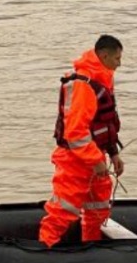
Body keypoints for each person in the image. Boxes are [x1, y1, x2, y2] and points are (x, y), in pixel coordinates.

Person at [39, 34, 125, 248]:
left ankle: (91, 247)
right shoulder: (84, 85)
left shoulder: (102, 80)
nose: (119, 64)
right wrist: (96, 160)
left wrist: (113, 153)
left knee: (97, 208)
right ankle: (44, 250)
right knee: (62, 211)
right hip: (76, 160)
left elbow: (105, 123)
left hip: (96, 156)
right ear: (104, 56)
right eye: (117, 59)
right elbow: (75, 133)